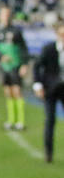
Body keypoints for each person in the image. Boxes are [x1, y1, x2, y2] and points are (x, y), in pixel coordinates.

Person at [32, 22, 64, 164]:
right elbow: (37, 66)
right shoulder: (49, 49)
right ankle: (48, 152)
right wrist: (38, 85)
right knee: (50, 120)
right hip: (50, 89)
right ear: (57, 34)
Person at [0, 6, 29, 131]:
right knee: (8, 92)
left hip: (16, 65)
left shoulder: (16, 31)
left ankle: (21, 121)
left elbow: (24, 48)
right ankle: (11, 120)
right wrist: (1, 57)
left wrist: (24, 64)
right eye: (3, 14)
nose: (5, 17)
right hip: (5, 67)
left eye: (7, 14)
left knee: (17, 92)